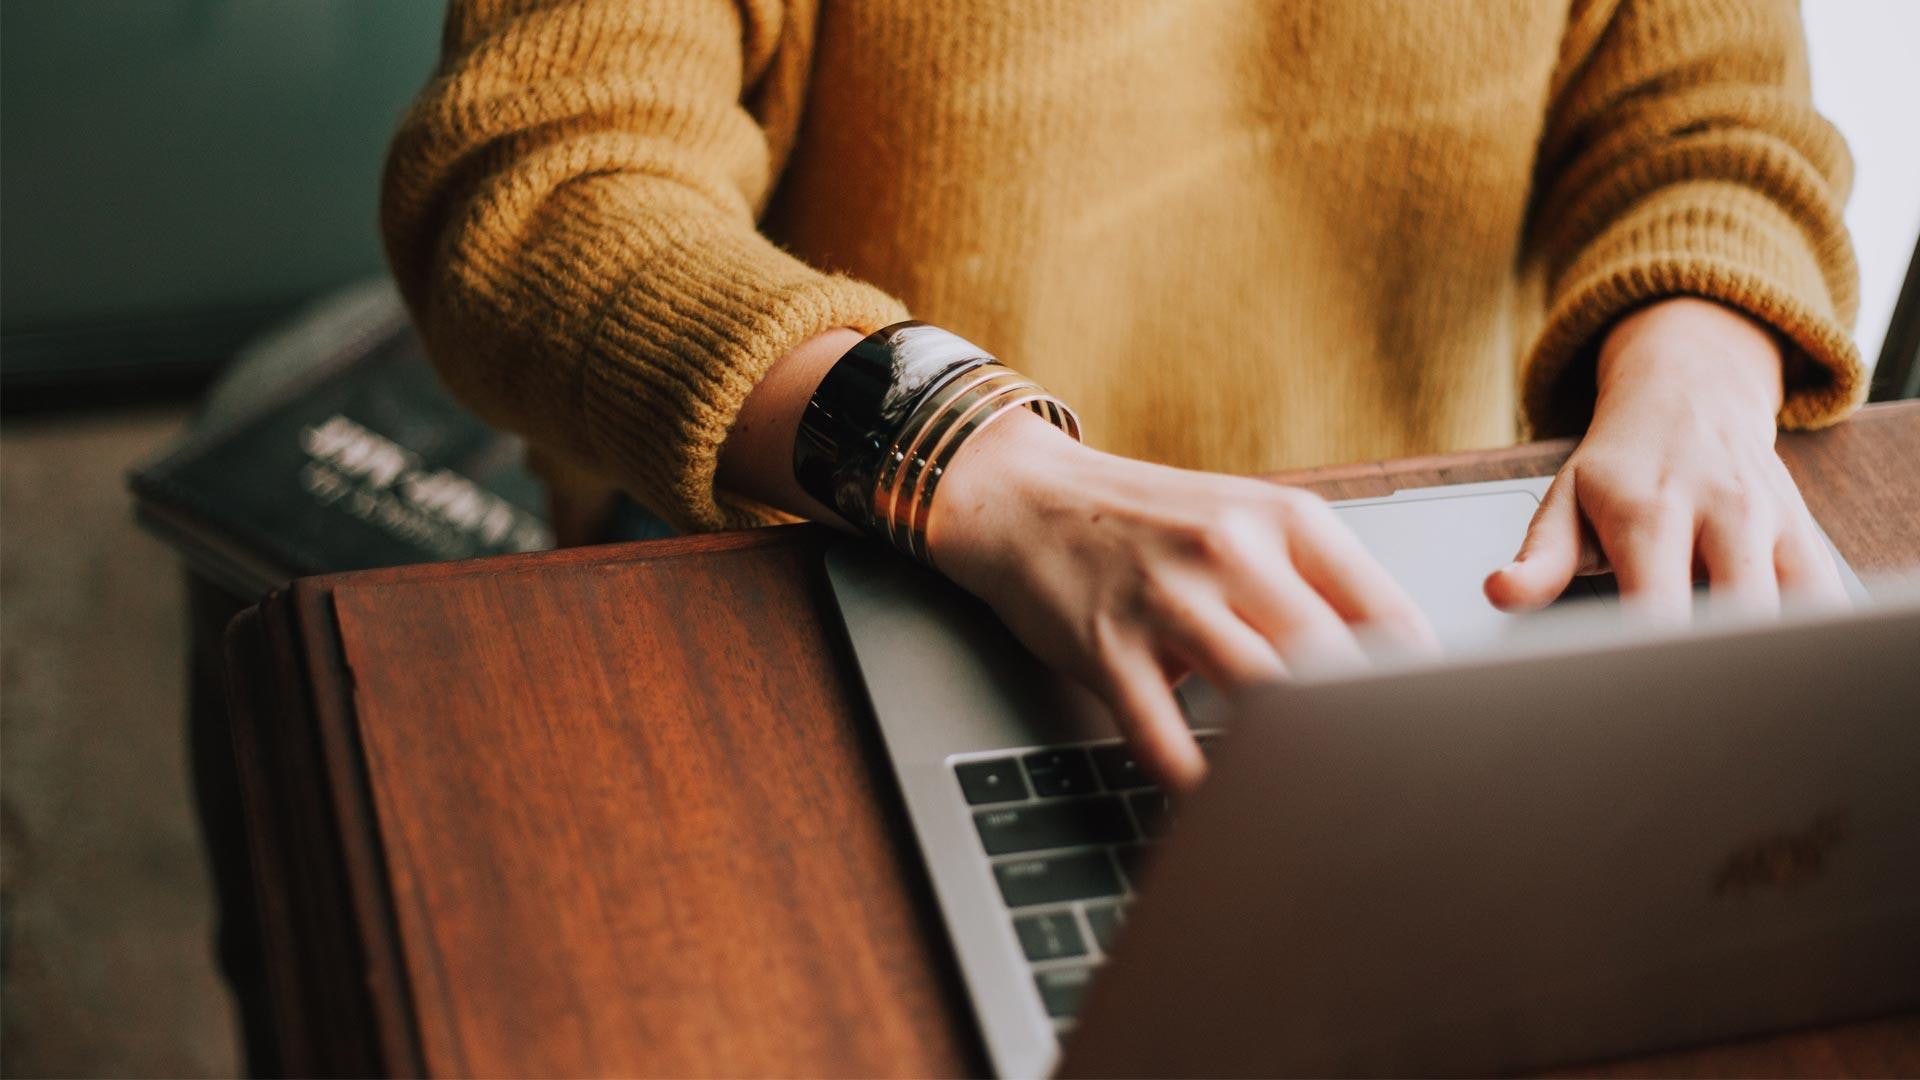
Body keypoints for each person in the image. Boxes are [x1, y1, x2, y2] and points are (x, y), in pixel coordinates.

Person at [382, 0, 1860, 790]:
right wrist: (981, 464)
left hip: (1428, 610)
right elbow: (538, 191)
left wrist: (1699, 365)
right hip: (862, 577)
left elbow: (1714, 119)